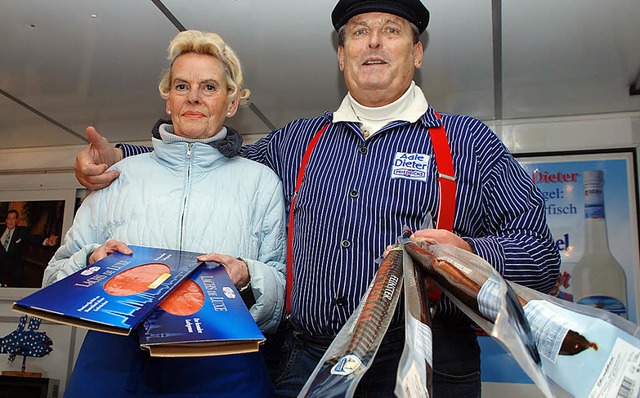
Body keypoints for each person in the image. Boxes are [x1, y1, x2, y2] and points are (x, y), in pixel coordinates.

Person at [74, 1, 561, 397]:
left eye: (391, 30)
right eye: (358, 31)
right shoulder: (297, 141)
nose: (372, 41)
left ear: (416, 53)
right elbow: (210, 156)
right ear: (341, 53)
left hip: (424, 364)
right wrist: (118, 157)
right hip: (306, 360)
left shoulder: (467, 142)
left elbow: (539, 253)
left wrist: (471, 254)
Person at [46, 30, 286, 397]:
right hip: (115, 358)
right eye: (181, 86)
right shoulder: (118, 175)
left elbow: (278, 287)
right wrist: (93, 261)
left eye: (209, 87)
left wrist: (246, 275)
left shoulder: (260, 182)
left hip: (223, 357)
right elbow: (54, 278)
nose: (193, 97)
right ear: (168, 101)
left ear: (232, 102)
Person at [0, 210, 58, 287]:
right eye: (9, 218)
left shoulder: (22, 231)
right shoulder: (0, 229)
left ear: (17, 220)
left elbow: (33, 238)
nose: (11, 221)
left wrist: (47, 241)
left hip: (13, 272)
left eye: (13, 218)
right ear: (6, 220)